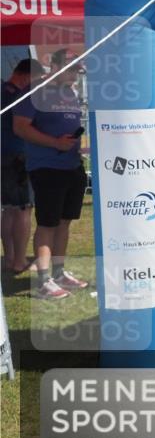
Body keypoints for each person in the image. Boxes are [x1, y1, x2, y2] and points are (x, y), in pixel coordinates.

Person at [12, 49, 89, 299]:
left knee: (64, 222)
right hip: (47, 167)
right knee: (47, 223)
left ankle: (58, 273)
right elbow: (20, 127)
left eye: (78, 69)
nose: (76, 74)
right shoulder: (36, 91)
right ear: (54, 66)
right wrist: (54, 143)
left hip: (72, 165)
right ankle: (44, 281)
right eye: (72, 68)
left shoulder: (70, 93)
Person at [2, 59, 40, 274]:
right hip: (16, 156)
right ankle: (19, 261)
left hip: (4, 155)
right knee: (23, 209)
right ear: (26, 76)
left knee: (8, 210)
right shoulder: (19, 95)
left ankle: (9, 258)